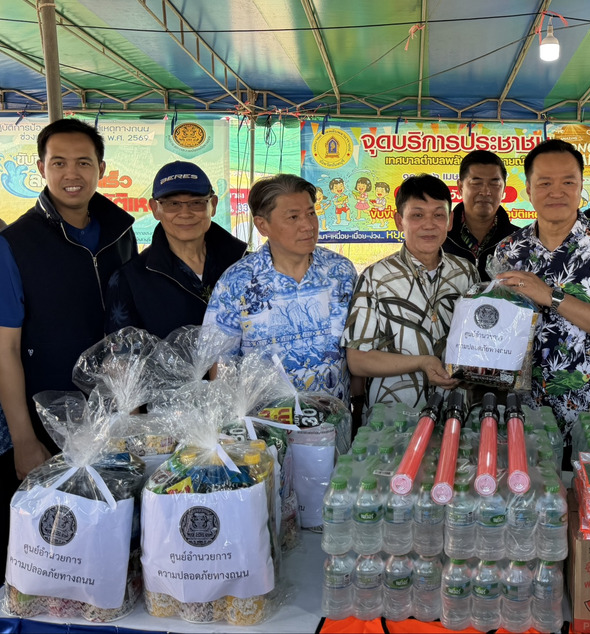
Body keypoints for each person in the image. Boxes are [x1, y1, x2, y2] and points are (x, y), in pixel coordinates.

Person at [0, 118, 136, 580]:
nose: (71, 174)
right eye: (58, 163)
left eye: (83, 162)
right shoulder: (15, 245)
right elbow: (5, 349)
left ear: (102, 169)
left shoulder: (121, 233)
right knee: (51, 549)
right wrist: (23, 439)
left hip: (115, 418)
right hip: (48, 425)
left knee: (114, 540)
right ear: (41, 168)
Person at [488, 139, 590, 436]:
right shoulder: (508, 251)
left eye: (568, 182)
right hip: (521, 417)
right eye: (544, 183)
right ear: (529, 190)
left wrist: (551, 296)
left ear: (581, 186)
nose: (556, 192)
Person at [204, 174, 357, 399]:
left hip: (334, 416)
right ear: (262, 225)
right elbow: (221, 361)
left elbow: (358, 346)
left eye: (311, 213)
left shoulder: (340, 272)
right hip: (262, 419)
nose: (308, 226)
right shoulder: (237, 281)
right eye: (293, 217)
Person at [342, 174, 480, 411]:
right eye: (417, 215)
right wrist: (422, 362)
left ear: (450, 221)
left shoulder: (466, 273)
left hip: (455, 412)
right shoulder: (376, 278)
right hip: (393, 417)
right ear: (399, 221)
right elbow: (357, 360)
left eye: (438, 215)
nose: (429, 224)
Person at [106, 161, 246, 338]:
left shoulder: (245, 266)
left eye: (197, 202)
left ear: (213, 205)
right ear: (155, 209)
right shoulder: (129, 280)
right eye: (173, 204)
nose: (185, 213)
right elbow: (122, 350)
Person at [442, 149, 519, 281]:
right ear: (460, 187)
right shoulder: (440, 239)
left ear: (503, 189)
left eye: (494, 183)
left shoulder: (519, 241)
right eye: (476, 183)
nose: (485, 191)